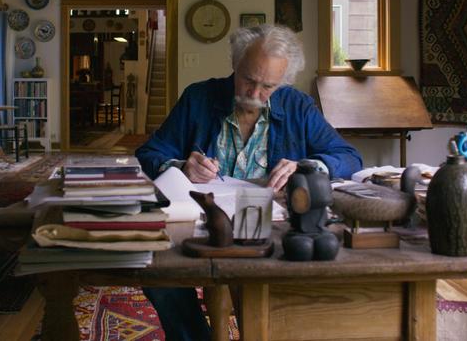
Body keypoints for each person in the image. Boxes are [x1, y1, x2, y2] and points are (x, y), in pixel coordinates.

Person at [136, 24, 362, 341]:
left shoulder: (297, 106)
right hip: (200, 223)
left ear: (283, 81)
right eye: (248, 80)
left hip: (270, 225)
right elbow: (149, 153)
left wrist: (307, 166)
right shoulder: (198, 98)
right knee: (157, 271)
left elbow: (350, 157)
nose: (255, 95)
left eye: (268, 86)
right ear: (235, 64)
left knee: (301, 278)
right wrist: (181, 166)